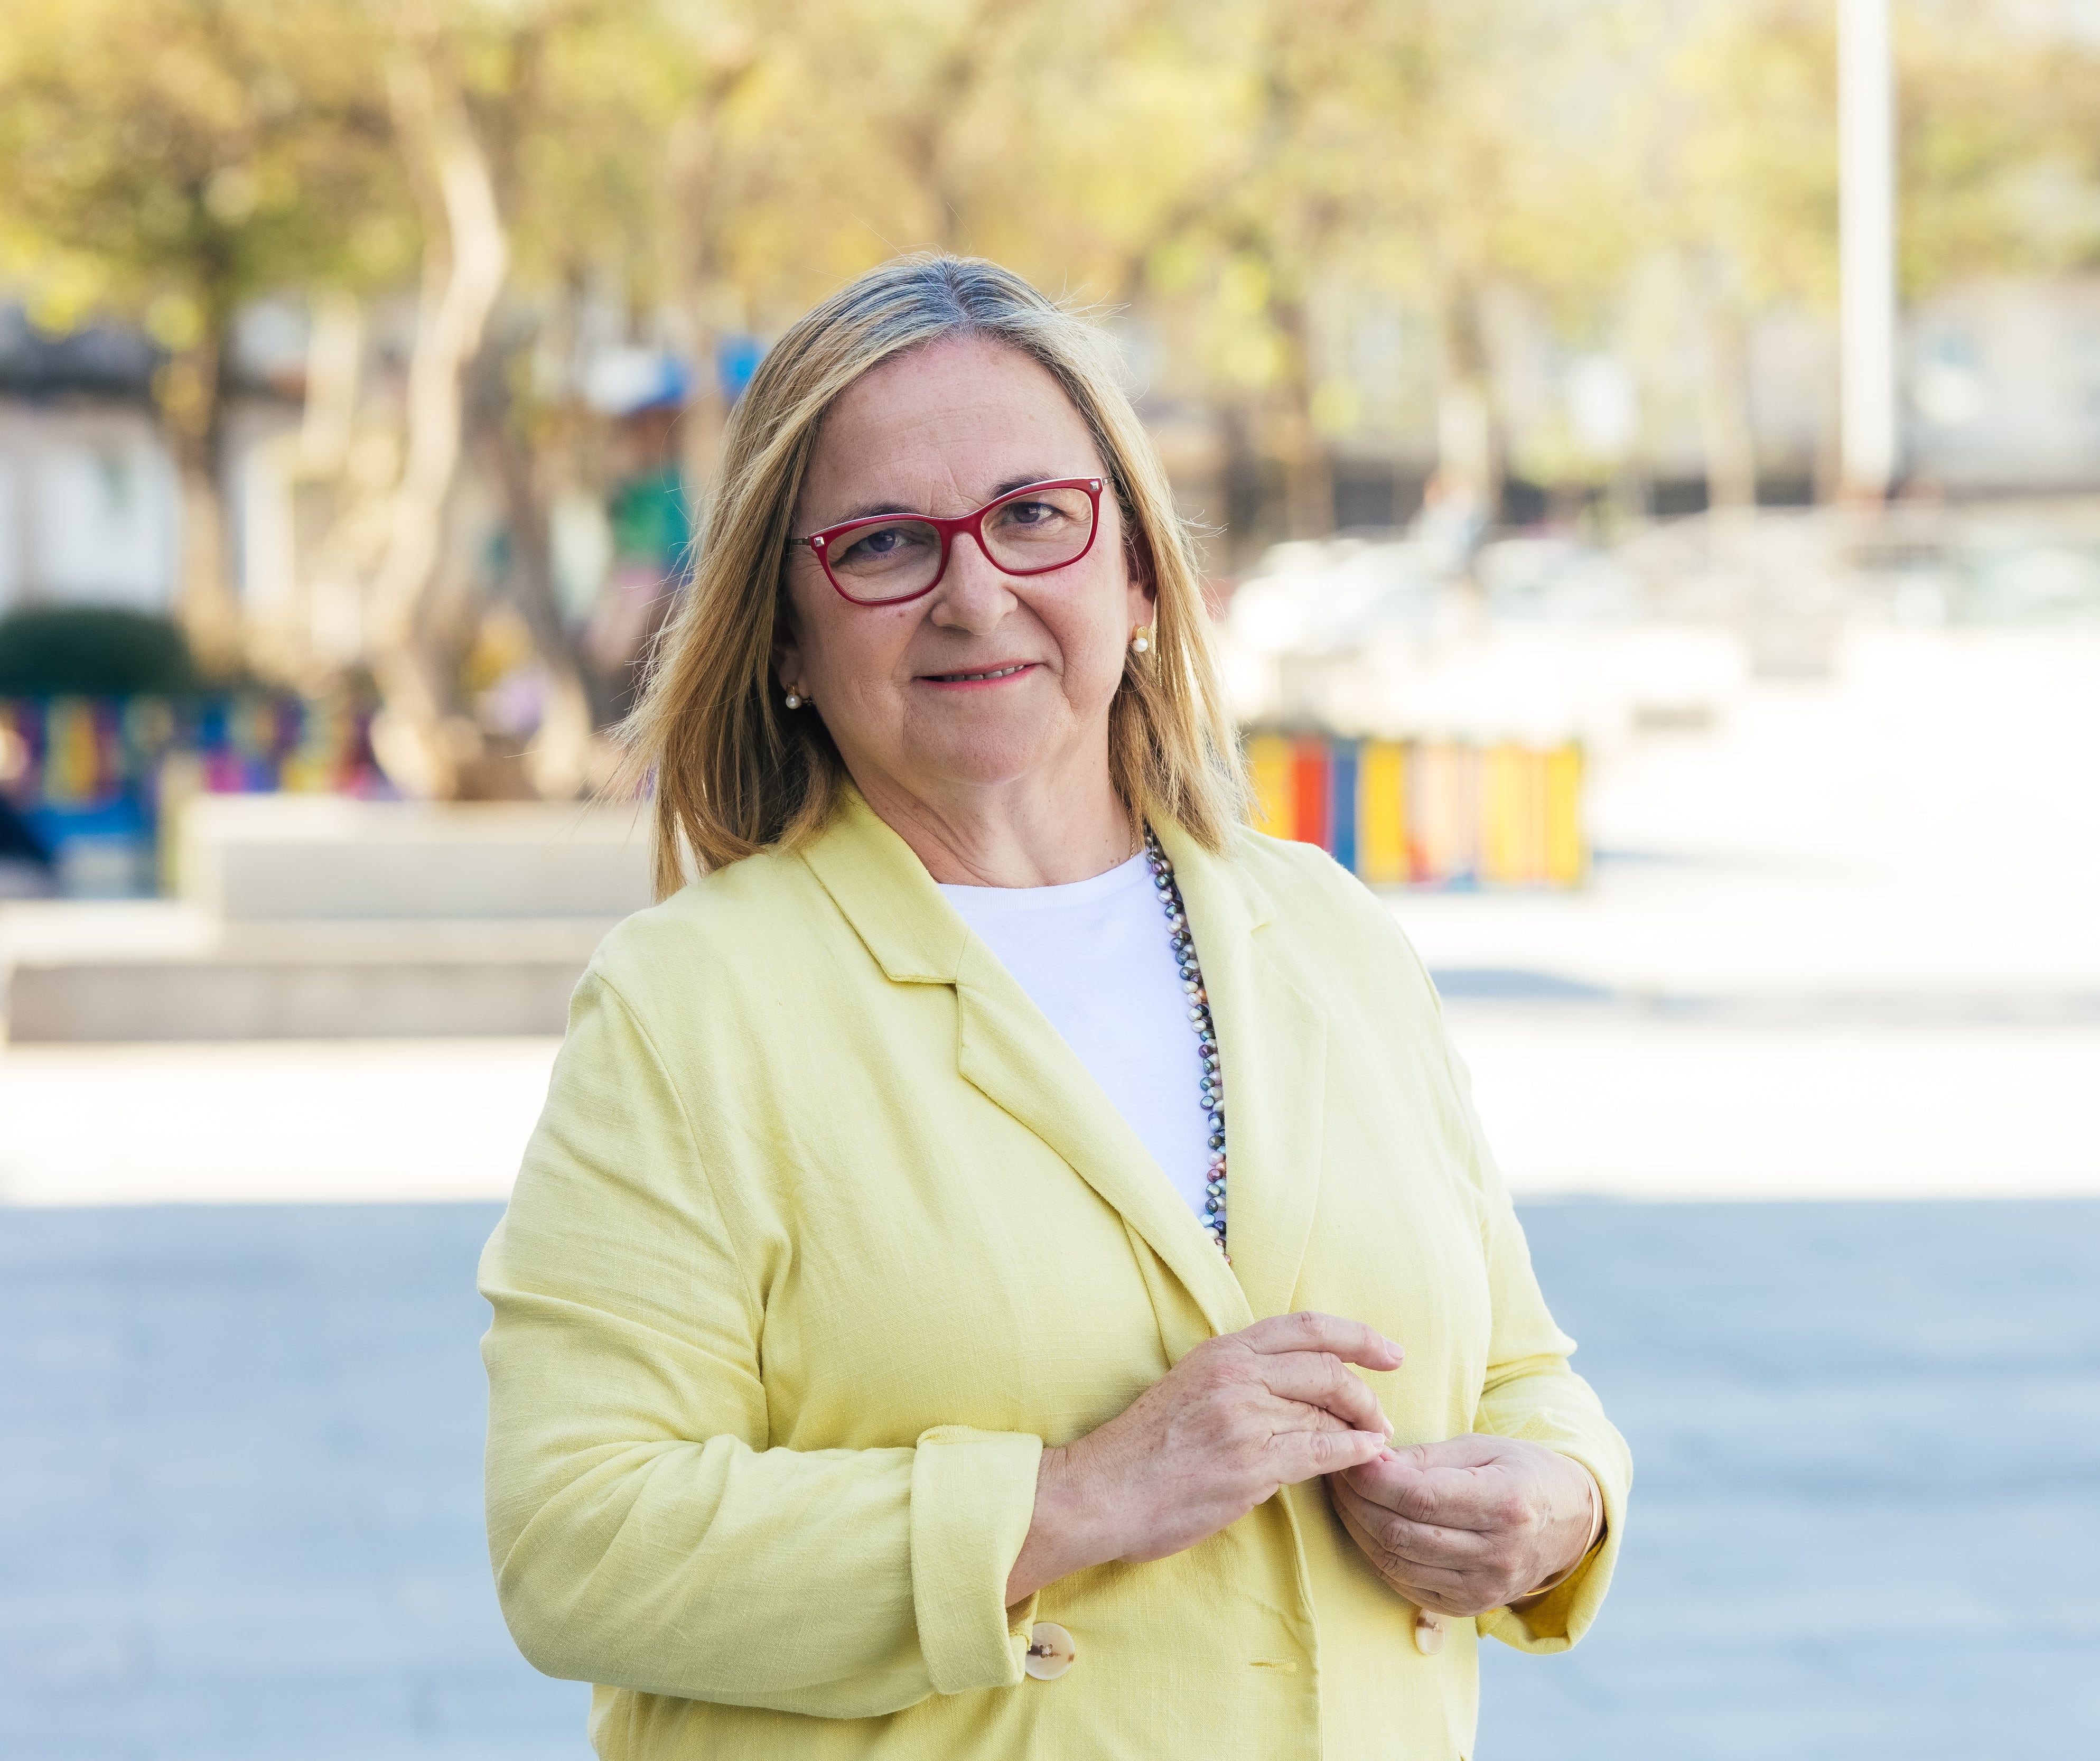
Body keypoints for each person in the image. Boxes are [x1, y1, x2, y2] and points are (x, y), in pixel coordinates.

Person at [478, 254, 1628, 1760]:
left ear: (1139, 570)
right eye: (886, 545)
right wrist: (1072, 1498)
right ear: (782, 633)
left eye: (1034, 517)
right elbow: (578, 1542)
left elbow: (1527, 1371)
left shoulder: (1330, 935)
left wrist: (1560, 1502)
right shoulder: (693, 1007)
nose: (977, 592)